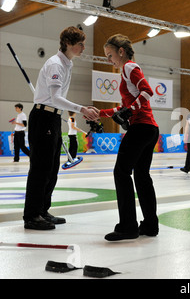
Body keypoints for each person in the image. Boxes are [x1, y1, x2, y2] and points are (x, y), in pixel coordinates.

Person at [23, 26, 99, 230]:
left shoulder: (67, 64)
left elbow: (57, 100)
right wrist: (82, 108)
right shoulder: (56, 64)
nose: (83, 47)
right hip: (44, 116)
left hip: (54, 117)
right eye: (80, 44)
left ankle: (42, 210)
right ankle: (31, 215)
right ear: (68, 44)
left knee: (52, 168)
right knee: (41, 168)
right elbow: (56, 97)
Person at [99, 34, 160, 241]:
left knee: (121, 172)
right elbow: (125, 107)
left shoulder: (129, 67)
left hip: (141, 128)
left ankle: (127, 226)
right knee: (142, 177)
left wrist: (129, 110)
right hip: (149, 128)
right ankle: (150, 225)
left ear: (121, 51)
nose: (110, 60)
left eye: (110, 55)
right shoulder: (128, 71)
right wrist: (99, 113)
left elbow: (147, 91)